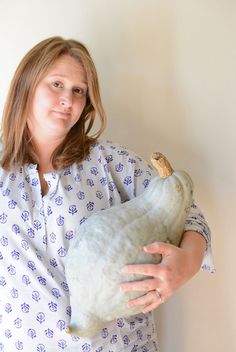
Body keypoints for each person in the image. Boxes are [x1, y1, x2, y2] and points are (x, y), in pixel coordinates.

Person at [0, 36, 214, 352]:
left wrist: (185, 264)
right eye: (56, 84)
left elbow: (188, 211)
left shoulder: (109, 161)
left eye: (78, 91)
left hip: (118, 344)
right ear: (26, 86)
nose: (67, 100)